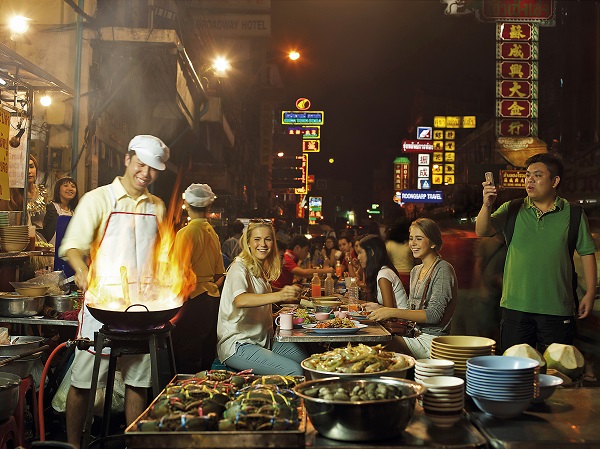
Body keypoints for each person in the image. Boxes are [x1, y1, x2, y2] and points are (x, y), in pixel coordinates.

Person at [58, 134, 170, 449]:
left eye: (153, 169)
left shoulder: (157, 207)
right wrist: (81, 271)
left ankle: (133, 444)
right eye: (141, 164)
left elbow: (164, 255)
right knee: (83, 382)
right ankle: (73, 446)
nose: (146, 174)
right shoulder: (98, 199)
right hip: (103, 306)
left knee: (138, 383)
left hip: (143, 308)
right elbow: (74, 248)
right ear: (127, 158)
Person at [475, 152, 597, 353]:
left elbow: (587, 253)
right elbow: (482, 230)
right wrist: (487, 204)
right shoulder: (512, 208)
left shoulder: (574, 214)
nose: (530, 180)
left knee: (557, 371)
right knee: (514, 372)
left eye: (538, 175)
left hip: (557, 309)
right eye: (527, 175)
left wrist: (590, 292)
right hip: (516, 308)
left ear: (555, 181)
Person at [216, 220, 309, 375]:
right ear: (248, 242)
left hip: (263, 341)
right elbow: (241, 300)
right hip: (239, 344)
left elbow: (255, 308)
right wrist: (280, 295)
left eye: (267, 239)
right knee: (295, 371)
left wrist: (275, 315)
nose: (263, 244)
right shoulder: (239, 267)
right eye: (257, 239)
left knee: (307, 363)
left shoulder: (260, 269)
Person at [367, 218, 458, 359]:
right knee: (372, 340)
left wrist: (391, 311)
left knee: (379, 346)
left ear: (433, 242)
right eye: (411, 238)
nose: (413, 244)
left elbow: (434, 315)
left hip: (433, 342)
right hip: (414, 334)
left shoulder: (443, 269)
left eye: (419, 239)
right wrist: (379, 309)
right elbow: (411, 310)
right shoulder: (416, 270)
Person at [171, 183, 225, 374]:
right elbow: (220, 272)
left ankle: (186, 394)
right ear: (209, 207)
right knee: (205, 353)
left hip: (191, 300)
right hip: (210, 300)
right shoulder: (213, 233)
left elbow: (179, 273)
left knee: (187, 355)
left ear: (185, 204)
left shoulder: (185, 233)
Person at [355, 234, 408, 308]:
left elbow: (389, 312)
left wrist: (376, 307)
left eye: (360, 252)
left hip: (401, 319)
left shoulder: (384, 274)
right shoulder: (380, 272)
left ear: (371, 252)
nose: (358, 257)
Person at [41, 177, 79, 246]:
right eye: (65, 186)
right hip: (50, 253)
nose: (70, 189)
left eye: (73, 186)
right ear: (58, 190)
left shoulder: (74, 212)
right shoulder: (50, 208)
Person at [385, 219, 415, 292]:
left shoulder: (388, 244)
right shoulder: (410, 244)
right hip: (410, 276)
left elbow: (387, 261)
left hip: (395, 275)